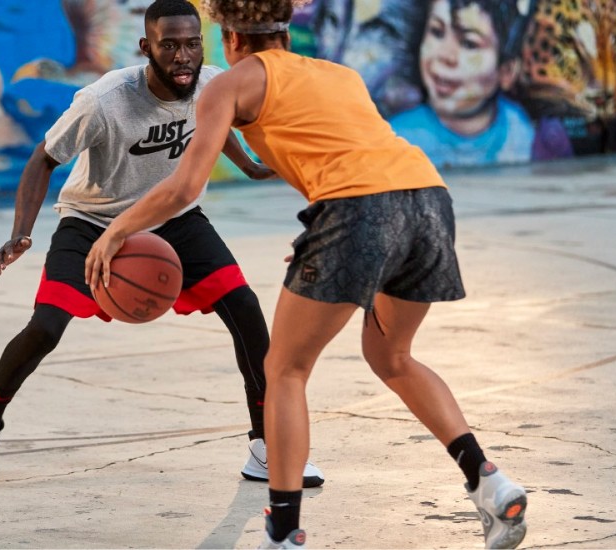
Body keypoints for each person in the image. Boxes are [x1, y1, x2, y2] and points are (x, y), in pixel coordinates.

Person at [85, 0, 527, 548]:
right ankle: (487, 482)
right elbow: (353, 158)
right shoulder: (341, 76)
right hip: (428, 203)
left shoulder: (230, 85)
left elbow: (185, 186)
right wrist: (324, 235)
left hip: (358, 214)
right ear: (285, 29)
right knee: (392, 356)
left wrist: (114, 231)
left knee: (285, 369)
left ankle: (284, 531)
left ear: (229, 36)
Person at [0, 0, 325, 492]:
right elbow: (43, 159)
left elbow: (214, 120)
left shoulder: (211, 83)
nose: (183, 55)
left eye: (192, 43)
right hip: (92, 221)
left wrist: (253, 165)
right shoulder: (104, 100)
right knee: (45, 326)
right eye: (169, 45)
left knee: (246, 309)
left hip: (173, 219)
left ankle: (263, 446)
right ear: (147, 47)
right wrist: (22, 231)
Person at [388, 0, 534, 167]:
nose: (446, 55)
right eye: (436, 32)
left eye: (468, 43)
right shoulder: (399, 138)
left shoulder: (522, 130)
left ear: (506, 71)